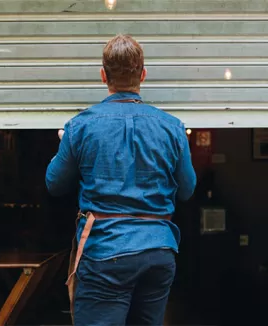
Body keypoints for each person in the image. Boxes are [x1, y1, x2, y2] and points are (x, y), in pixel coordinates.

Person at [45, 34, 197, 326]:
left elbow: (54, 184)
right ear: (143, 74)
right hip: (158, 251)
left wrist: (64, 148)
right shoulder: (173, 128)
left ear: (103, 75)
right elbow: (187, 190)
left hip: (105, 253)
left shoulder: (81, 127)